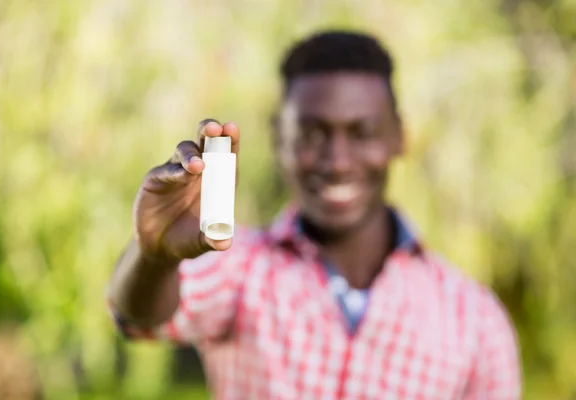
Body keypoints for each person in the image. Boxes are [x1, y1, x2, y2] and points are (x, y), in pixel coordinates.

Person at [106, 30, 522, 399]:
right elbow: (137, 317)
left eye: (361, 133)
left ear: (400, 137)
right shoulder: (239, 267)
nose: (337, 161)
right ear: (278, 140)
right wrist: (155, 257)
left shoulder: (474, 321)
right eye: (311, 134)